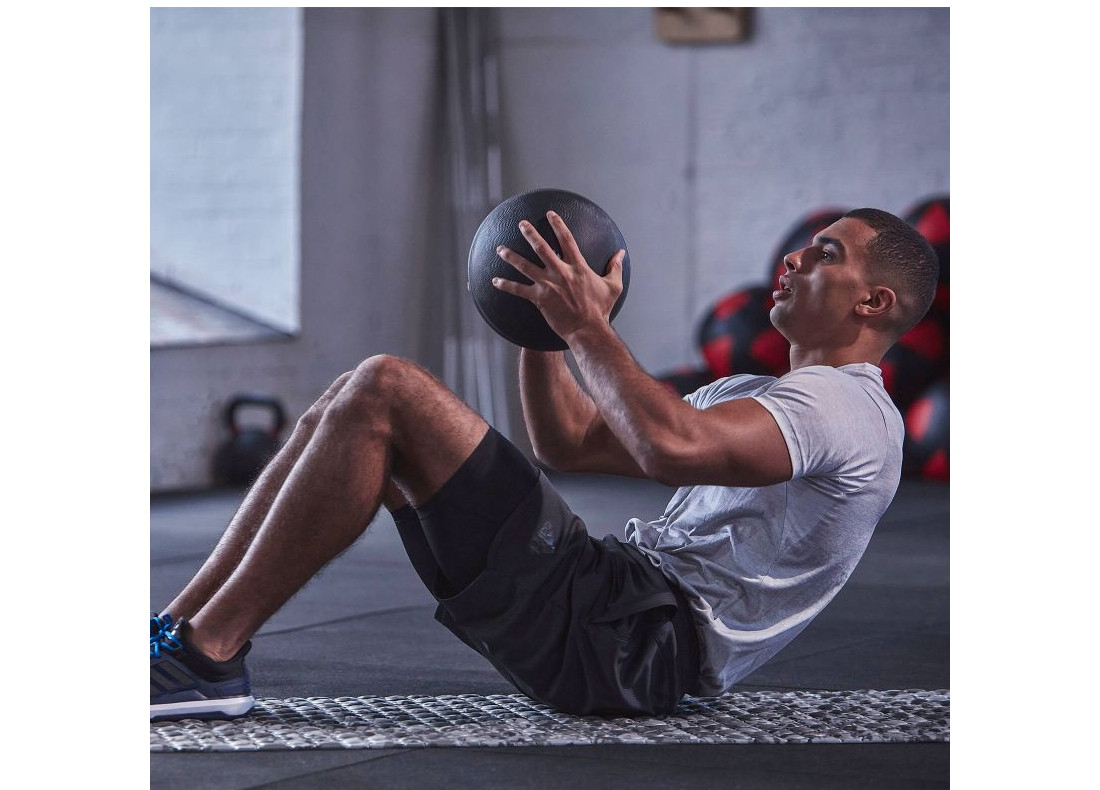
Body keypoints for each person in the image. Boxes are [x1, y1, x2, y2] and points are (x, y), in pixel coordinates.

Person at [150, 206, 939, 722]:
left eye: (826, 253)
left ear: (873, 303)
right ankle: (181, 636)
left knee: (387, 388)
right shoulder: (756, 394)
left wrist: (588, 326)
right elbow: (571, 441)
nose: (794, 257)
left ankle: (207, 657)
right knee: (347, 409)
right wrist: (545, 327)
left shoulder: (847, 409)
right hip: (618, 612)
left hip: (640, 641)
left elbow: (670, 446)